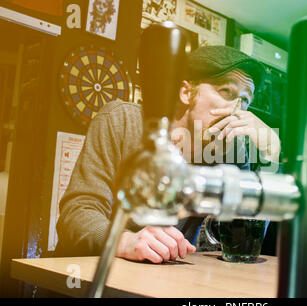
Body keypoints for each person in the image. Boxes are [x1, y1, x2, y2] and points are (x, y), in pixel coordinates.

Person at [55, 45, 281, 264]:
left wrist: (271, 155)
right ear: (186, 92)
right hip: (86, 276)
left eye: (245, 100)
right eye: (226, 92)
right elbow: (76, 214)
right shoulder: (121, 120)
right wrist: (124, 241)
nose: (237, 110)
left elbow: (245, 238)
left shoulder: (230, 151)